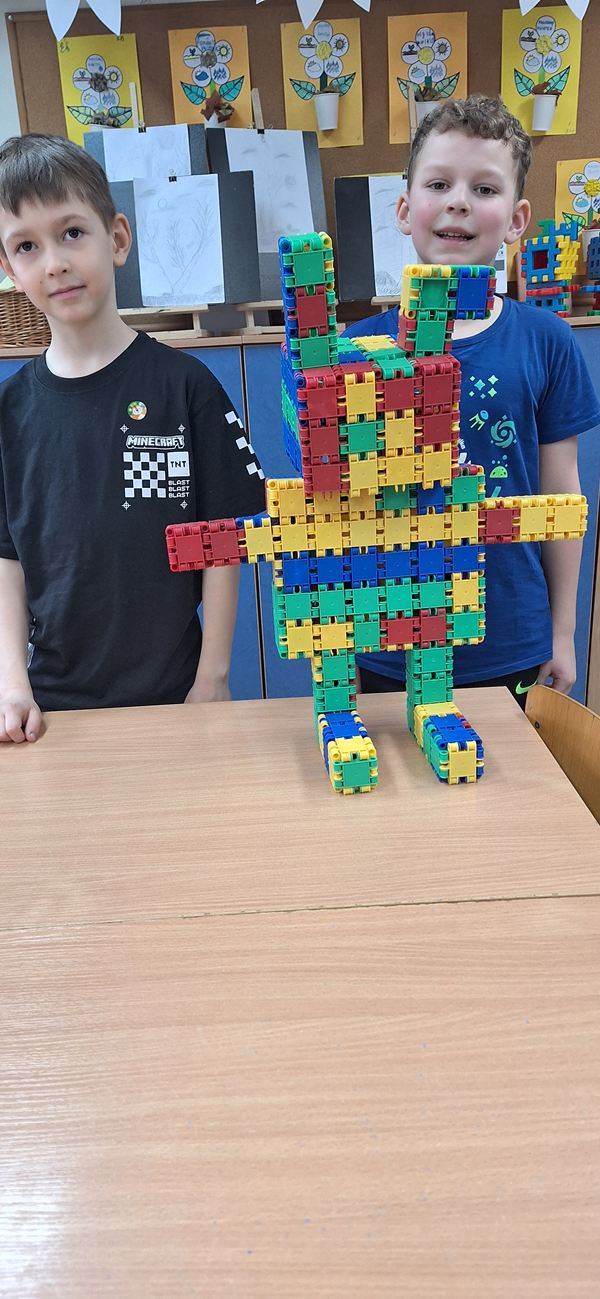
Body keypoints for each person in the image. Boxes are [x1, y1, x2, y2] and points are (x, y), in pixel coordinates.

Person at [0, 134, 266, 742]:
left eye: (72, 232)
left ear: (117, 238)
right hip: (53, 711)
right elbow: (6, 559)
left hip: (176, 697)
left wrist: (213, 677)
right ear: (10, 270)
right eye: (26, 246)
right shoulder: (10, 411)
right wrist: (12, 683)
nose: (54, 262)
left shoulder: (186, 387)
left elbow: (223, 539)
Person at [343, 95, 600, 706]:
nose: (458, 201)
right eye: (439, 184)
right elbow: (336, 500)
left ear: (516, 218)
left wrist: (562, 631)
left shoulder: (546, 340)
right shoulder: (355, 349)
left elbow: (560, 495)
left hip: (509, 635)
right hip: (386, 636)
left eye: (484, 189)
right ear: (404, 209)